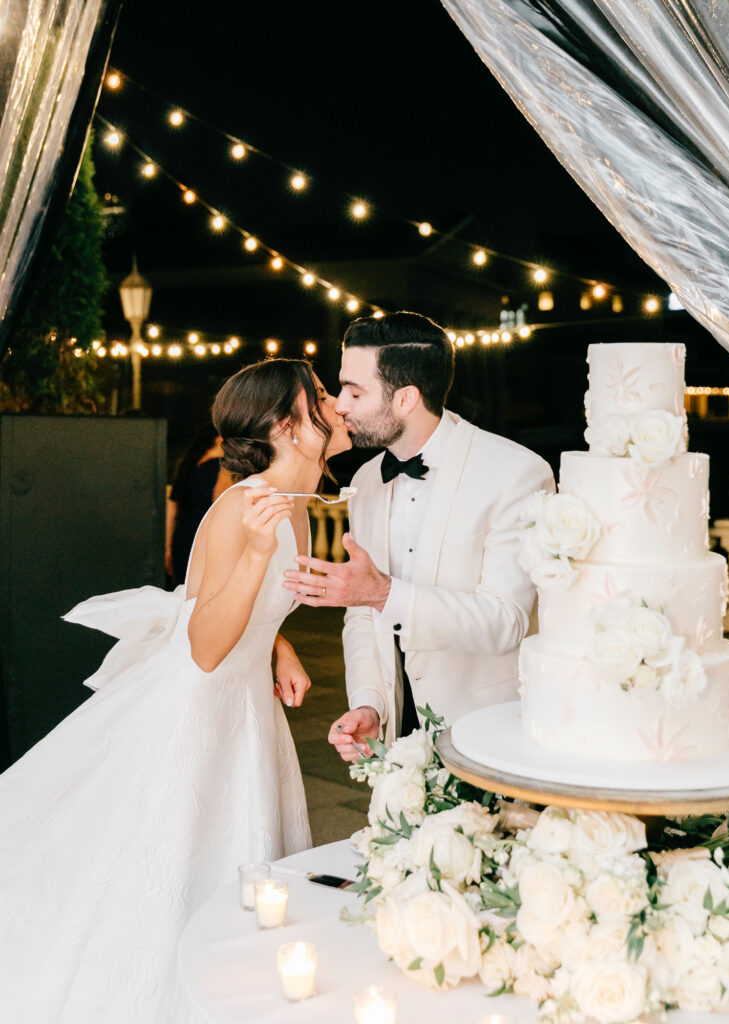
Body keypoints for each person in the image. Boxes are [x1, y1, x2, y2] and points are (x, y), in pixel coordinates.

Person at [0, 358, 350, 1022]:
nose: (335, 407)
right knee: (170, 859)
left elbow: (216, 604)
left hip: (246, 706)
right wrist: (251, 557)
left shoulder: (295, 505)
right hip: (200, 709)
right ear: (288, 426)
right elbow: (206, 643)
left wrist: (278, 642)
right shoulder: (243, 509)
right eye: (323, 399)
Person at [282, 311, 555, 760]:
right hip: (397, 730)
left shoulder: (517, 473)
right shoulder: (369, 479)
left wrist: (384, 592)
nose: (340, 406)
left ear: (405, 398)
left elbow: (506, 623)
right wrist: (369, 702)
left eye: (354, 391)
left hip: (487, 730)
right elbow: (361, 614)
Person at [165, 422, 231, 584]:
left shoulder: (186, 465)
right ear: (219, 439)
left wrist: (167, 548)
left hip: (182, 538)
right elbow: (223, 508)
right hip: (205, 542)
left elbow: (171, 509)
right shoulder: (222, 468)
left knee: (183, 591)